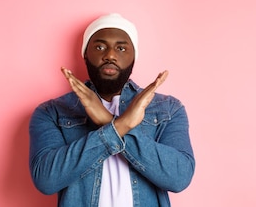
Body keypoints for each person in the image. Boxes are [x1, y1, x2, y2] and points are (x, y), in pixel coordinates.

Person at [29, 13, 195, 207]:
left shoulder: (168, 109)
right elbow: (46, 180)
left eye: (121, 48)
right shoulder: (53, 112)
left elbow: (179, 177)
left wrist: (107, 121)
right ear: (85, 54)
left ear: (134, 56)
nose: (109, 55)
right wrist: (121, 125)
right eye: (99, 47)